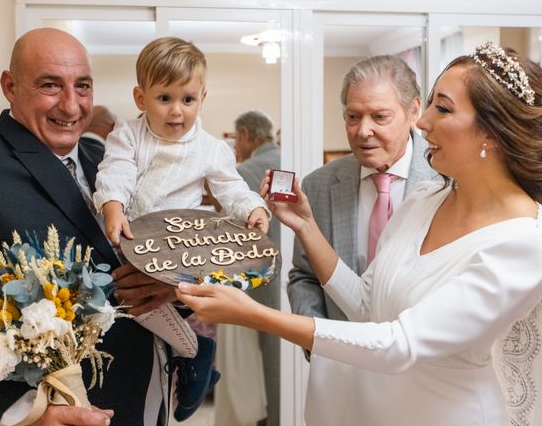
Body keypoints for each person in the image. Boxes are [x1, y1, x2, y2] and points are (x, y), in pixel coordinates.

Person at [176, 42, 542, 426]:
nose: (423, 123)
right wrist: (305, 226)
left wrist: (254, 314)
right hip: (369, 409)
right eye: (432, 104)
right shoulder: (424, 200)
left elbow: (400, 343)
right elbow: (366, 305)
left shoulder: (522, 243)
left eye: (444, 109)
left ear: (493, 132)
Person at [0, 28, 177, 426]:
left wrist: (169, 286)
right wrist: (23, 415)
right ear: (10, 87)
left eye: (82, 86)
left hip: (142, 399)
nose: (71, 105)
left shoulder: (104, 158)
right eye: (51, 85)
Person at [92, 37, 270, 421]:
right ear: (140, 98)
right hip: (135, 238)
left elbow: (231, 188)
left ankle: (192, 352)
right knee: (126, 307)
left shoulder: (210, 148)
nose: (177, 111)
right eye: (165, 98)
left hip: (179, 245)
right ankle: (190, 354)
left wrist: (253, 207)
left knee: (151, 306)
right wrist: (113, 205)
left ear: (202, 98)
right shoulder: (128, 135)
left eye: (187, 100)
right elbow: (116, 171)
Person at [288, 55, 436, 331]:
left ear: (414, 110)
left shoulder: (446, 182)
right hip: (338, 360)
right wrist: (320, 344)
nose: (363, 131)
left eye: (380, 117)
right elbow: (304, 276)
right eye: (353, 117)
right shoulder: (318, 185)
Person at [218, 109, 280, 425]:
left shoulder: (245, 172)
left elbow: (232, 239)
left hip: (254, 282)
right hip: (291, 277)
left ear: (244, 135)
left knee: (250, 370)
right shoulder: (293, 159)